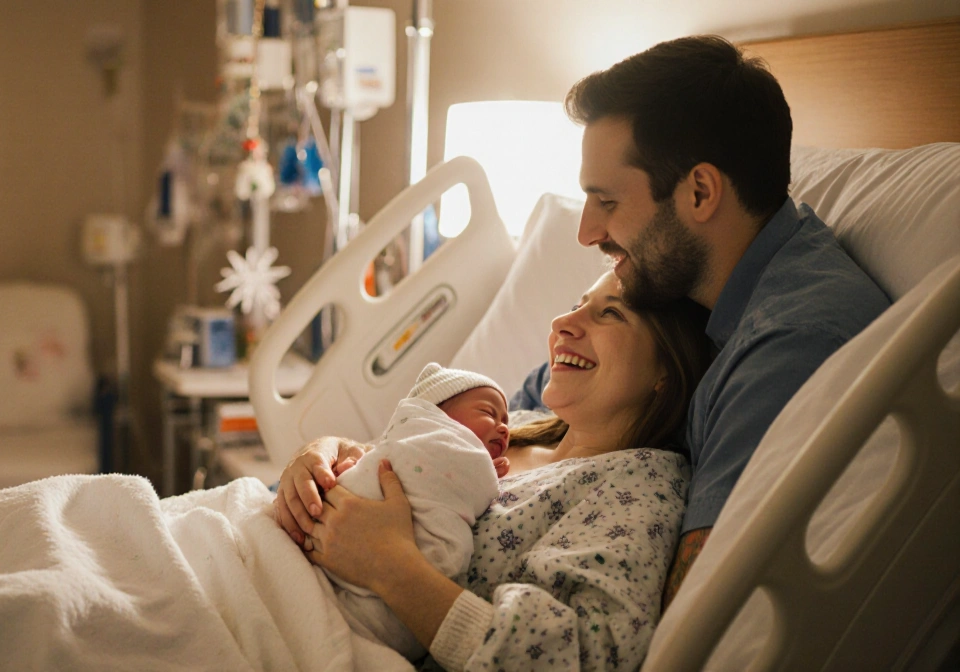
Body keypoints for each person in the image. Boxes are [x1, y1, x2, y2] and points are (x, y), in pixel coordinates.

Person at [510, 34, 890, 606]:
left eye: (607, 202)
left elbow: (698, 613)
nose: (587, 232)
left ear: (701, 191)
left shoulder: (788, 348)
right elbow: (534, 400)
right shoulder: (698, 282)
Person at [275, 271, 717, 669]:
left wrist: (389, 566)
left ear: (667, 368)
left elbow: (583, 656)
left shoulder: (640, 490)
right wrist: (321, 453)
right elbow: (391, 452)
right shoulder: (515, 426)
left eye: (610, 314)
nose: (564, 324)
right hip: (272, 569)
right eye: (576, 304)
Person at [326, 362, 510, 660]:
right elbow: (379, 453)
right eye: (489, 413)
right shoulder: (427, 437)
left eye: (507, 423)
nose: (504, 427)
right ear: (435, 414)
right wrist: (326, 450)